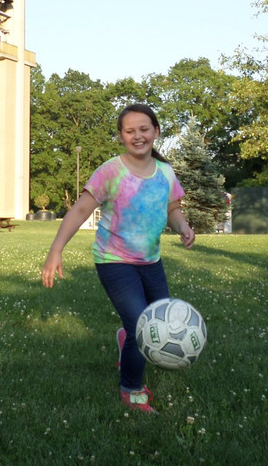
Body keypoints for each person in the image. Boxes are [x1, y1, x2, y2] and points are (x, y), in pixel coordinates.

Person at [41, 104, 195, 414]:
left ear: (156, 132)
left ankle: (125, 338)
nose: (138, 136)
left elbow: (172, 209)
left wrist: (182, 226)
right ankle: (131, 390)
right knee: (143, 327)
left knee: (163, 324)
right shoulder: (111, 171)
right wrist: (56, 249)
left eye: (144, 129)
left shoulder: (165, 172)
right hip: (114, 260)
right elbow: (80, 210)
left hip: (151, 261)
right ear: (121, 136)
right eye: (130, 131)